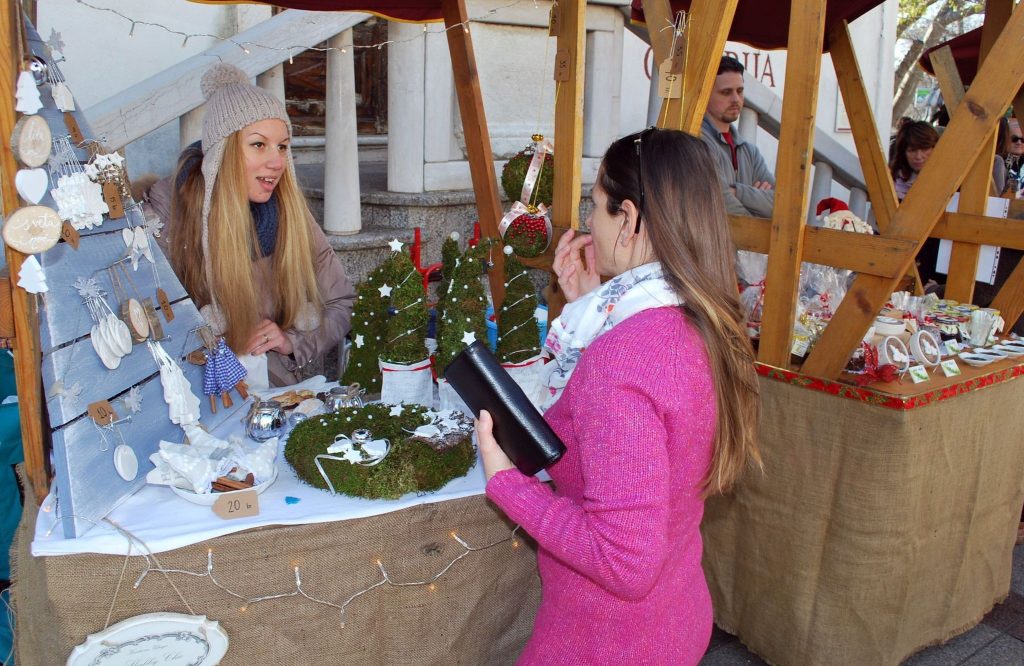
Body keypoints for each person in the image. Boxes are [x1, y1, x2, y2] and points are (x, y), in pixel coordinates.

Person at [476, 128, 761, 664]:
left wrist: (507, 484)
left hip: (605, 641)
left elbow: (623, 560)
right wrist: (589, 306)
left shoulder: (622, 357)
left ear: (627, 218)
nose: (589, 222)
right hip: (672, 619)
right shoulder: (701, 319)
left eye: (595, 205)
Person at [146, 64, 355, 386]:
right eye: (259, 144)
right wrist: (215, 344)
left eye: (282, 146)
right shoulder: (168, 215)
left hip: (275, 398)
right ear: (223, 153)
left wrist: (292, 343)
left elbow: (342, 302)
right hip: (196, 403)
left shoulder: (291, 212)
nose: (277, 162)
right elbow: (151, 326)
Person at [700, 56, 775, 217]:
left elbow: (780, 204)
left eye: (740, 91)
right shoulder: (697, 142)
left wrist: (736, 192)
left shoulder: (751, 152)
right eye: (726, 92)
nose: (736, 99)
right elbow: (719, 202)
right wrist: (757, 200)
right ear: (705, 94)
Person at [890, 120, 942, 286]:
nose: (919, 156)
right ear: (904, 152)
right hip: (901, 256)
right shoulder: (893, 180)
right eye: (912, 150)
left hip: (935, 258)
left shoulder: (950, 181)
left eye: (925, 148)